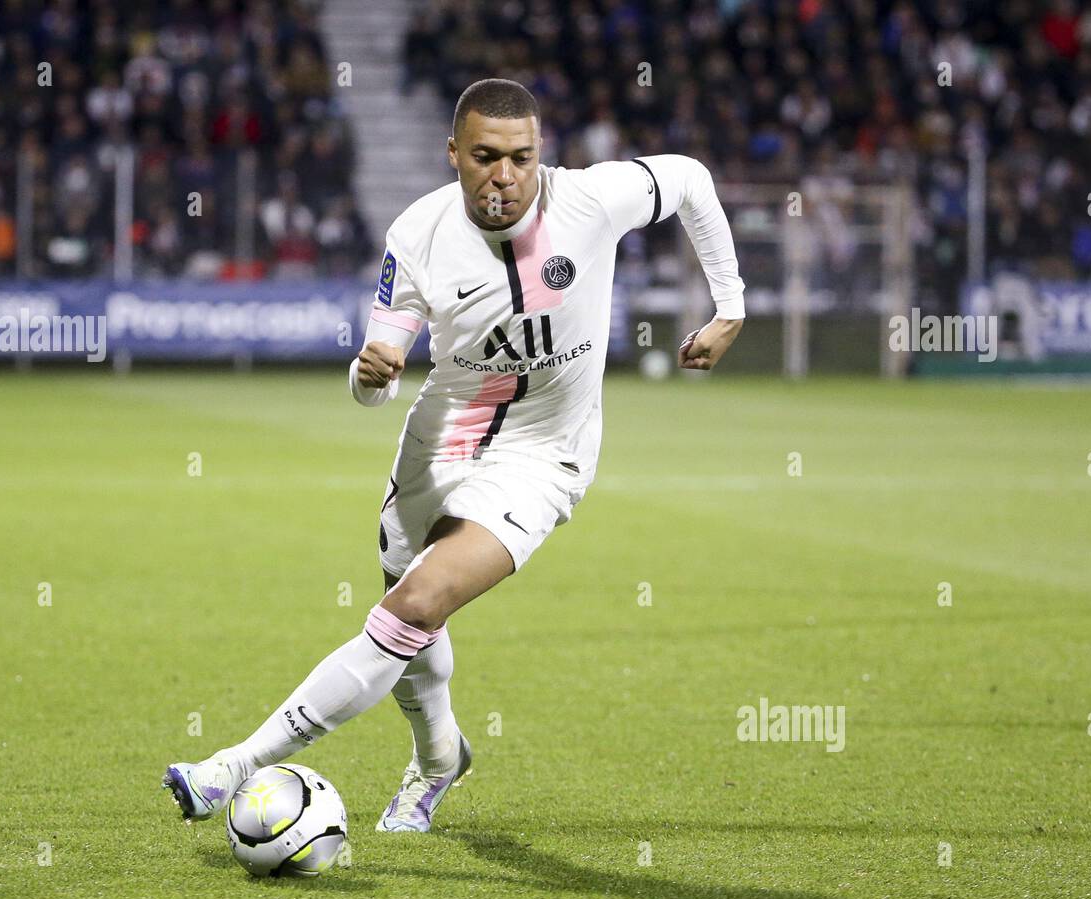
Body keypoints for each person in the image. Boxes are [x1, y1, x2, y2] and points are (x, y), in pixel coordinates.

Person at [164, 78, 745, 834]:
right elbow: (379, 372)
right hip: (442, 439)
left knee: (414, 604)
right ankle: (439, 757)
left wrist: (731, 303)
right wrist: (366, 373)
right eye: (484, 157)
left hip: (544, 454)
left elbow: (692, 180)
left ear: (541, 155)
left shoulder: (591, 200)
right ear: (453, 154)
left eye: (521, 158)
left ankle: (235, 765)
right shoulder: (419, 232)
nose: (505, 176)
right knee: (407, 622)